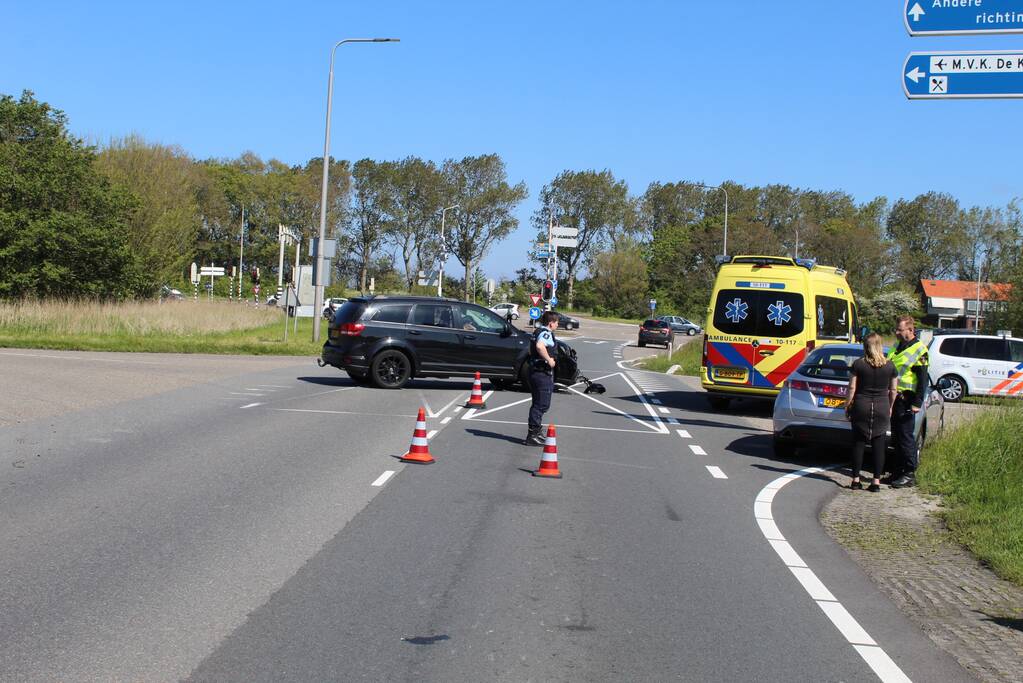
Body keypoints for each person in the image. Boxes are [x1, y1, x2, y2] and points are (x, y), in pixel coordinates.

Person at [845, 333, 898, 492]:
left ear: (866, 346)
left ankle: (855, 480)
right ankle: (875, 482)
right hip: (882, 405)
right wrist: (890, 406)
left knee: (858, 443)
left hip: (862, 405)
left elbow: (852, 387)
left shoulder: (858, 364)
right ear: (880, 346)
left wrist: (848, 405)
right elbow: (893, 389)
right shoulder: (890, 366)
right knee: (878, 444)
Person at [885, 315, 929, 488]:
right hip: (894, 398)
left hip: (907, 399)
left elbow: (923, 379)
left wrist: (917, 403)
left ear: (910, 330)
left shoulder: (920, 350)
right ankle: (897, 471)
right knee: (896, 437)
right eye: (896, 329)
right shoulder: (897, 346)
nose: (896, 332)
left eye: (900, 330)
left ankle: (909, 473)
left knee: (905, 437)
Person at [525, 310, 560, 446]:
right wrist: (549, 360)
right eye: (557, 323)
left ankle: (535, 432)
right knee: (542, 404)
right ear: (551, 323)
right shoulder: (546, 333)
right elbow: (540, 346)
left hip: (535, 372)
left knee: (538, 403)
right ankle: (533, 434)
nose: (557, 325)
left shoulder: (538, 331)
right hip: (541, 373)